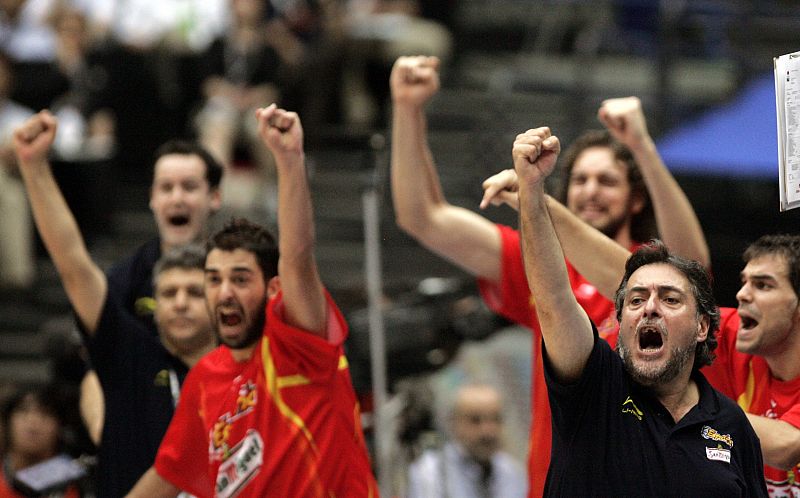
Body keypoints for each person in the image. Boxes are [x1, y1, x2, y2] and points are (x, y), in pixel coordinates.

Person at [389, 55, 709, 497]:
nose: (591, 191)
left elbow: (695, 270)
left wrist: (642, 148)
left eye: (606, 181)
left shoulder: (655, 271)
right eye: (579, 180)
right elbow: (422, 217)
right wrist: (407, 109)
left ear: (636, 199)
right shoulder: (544, 266)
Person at [484, 168, 800, 497]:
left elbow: (787, 444)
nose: (742, 294)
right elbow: (556, 301)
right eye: (635, 300)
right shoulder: (597, 387)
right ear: (619, 320)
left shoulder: (730, 424)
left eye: (763, 285)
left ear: (701, 328)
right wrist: (535, 196)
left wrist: (705, 422)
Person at [126, 105, 379, 497]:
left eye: (240, 279)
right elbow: (167, 475)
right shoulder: (205, 378)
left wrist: (289, 158)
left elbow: (297, 256)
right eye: (213, 280)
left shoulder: (299, 347)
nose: (224, 292)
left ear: (274, 290)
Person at [13, 110, 219, 497]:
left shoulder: (242, 370)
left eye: (194, 293)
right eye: (169, 294)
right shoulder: (133, 352)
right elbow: (73, 266)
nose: (179, 304)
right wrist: (35, 169)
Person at [407, 383, 526, 498]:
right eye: (475, 420)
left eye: (495, 419)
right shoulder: (430, 473)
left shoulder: (513, 473)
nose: (488, 431)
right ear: (454, 423)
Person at [0, 385, 86, 497]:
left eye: (45, 413)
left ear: (60, 427)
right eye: (23, 411)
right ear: (8, 423)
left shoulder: (81, 484)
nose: (33, 424)